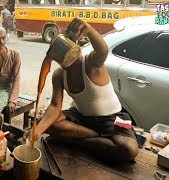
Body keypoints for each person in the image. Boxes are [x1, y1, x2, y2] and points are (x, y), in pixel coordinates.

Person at [32, 18, 139, 163]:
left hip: (112, 118)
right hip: (81, 117)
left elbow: (103, 51)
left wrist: (88, 29)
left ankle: (80, 141)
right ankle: (97, 137)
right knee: (45, 123)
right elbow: (55, 106)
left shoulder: (90, 63)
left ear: (73, 45)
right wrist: (37, 131)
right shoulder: (59, 74)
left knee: (129, 150)